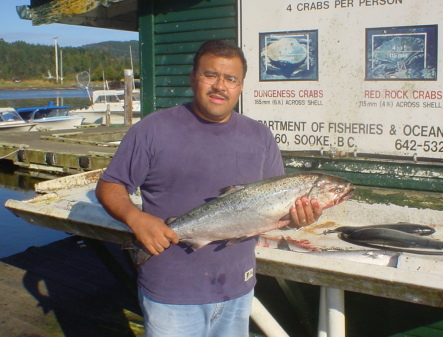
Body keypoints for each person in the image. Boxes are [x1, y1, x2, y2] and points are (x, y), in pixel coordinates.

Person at [95, 39, 322, 337]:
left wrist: (297, 218)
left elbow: (274, 209)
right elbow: (110, 185)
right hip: (171, 291)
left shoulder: (260, 136)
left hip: (237, 288)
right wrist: (135, 218)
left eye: (230, 79)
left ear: (240, 86)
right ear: (193, 78)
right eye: (210, 75)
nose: (220, 86)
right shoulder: (152, 129)